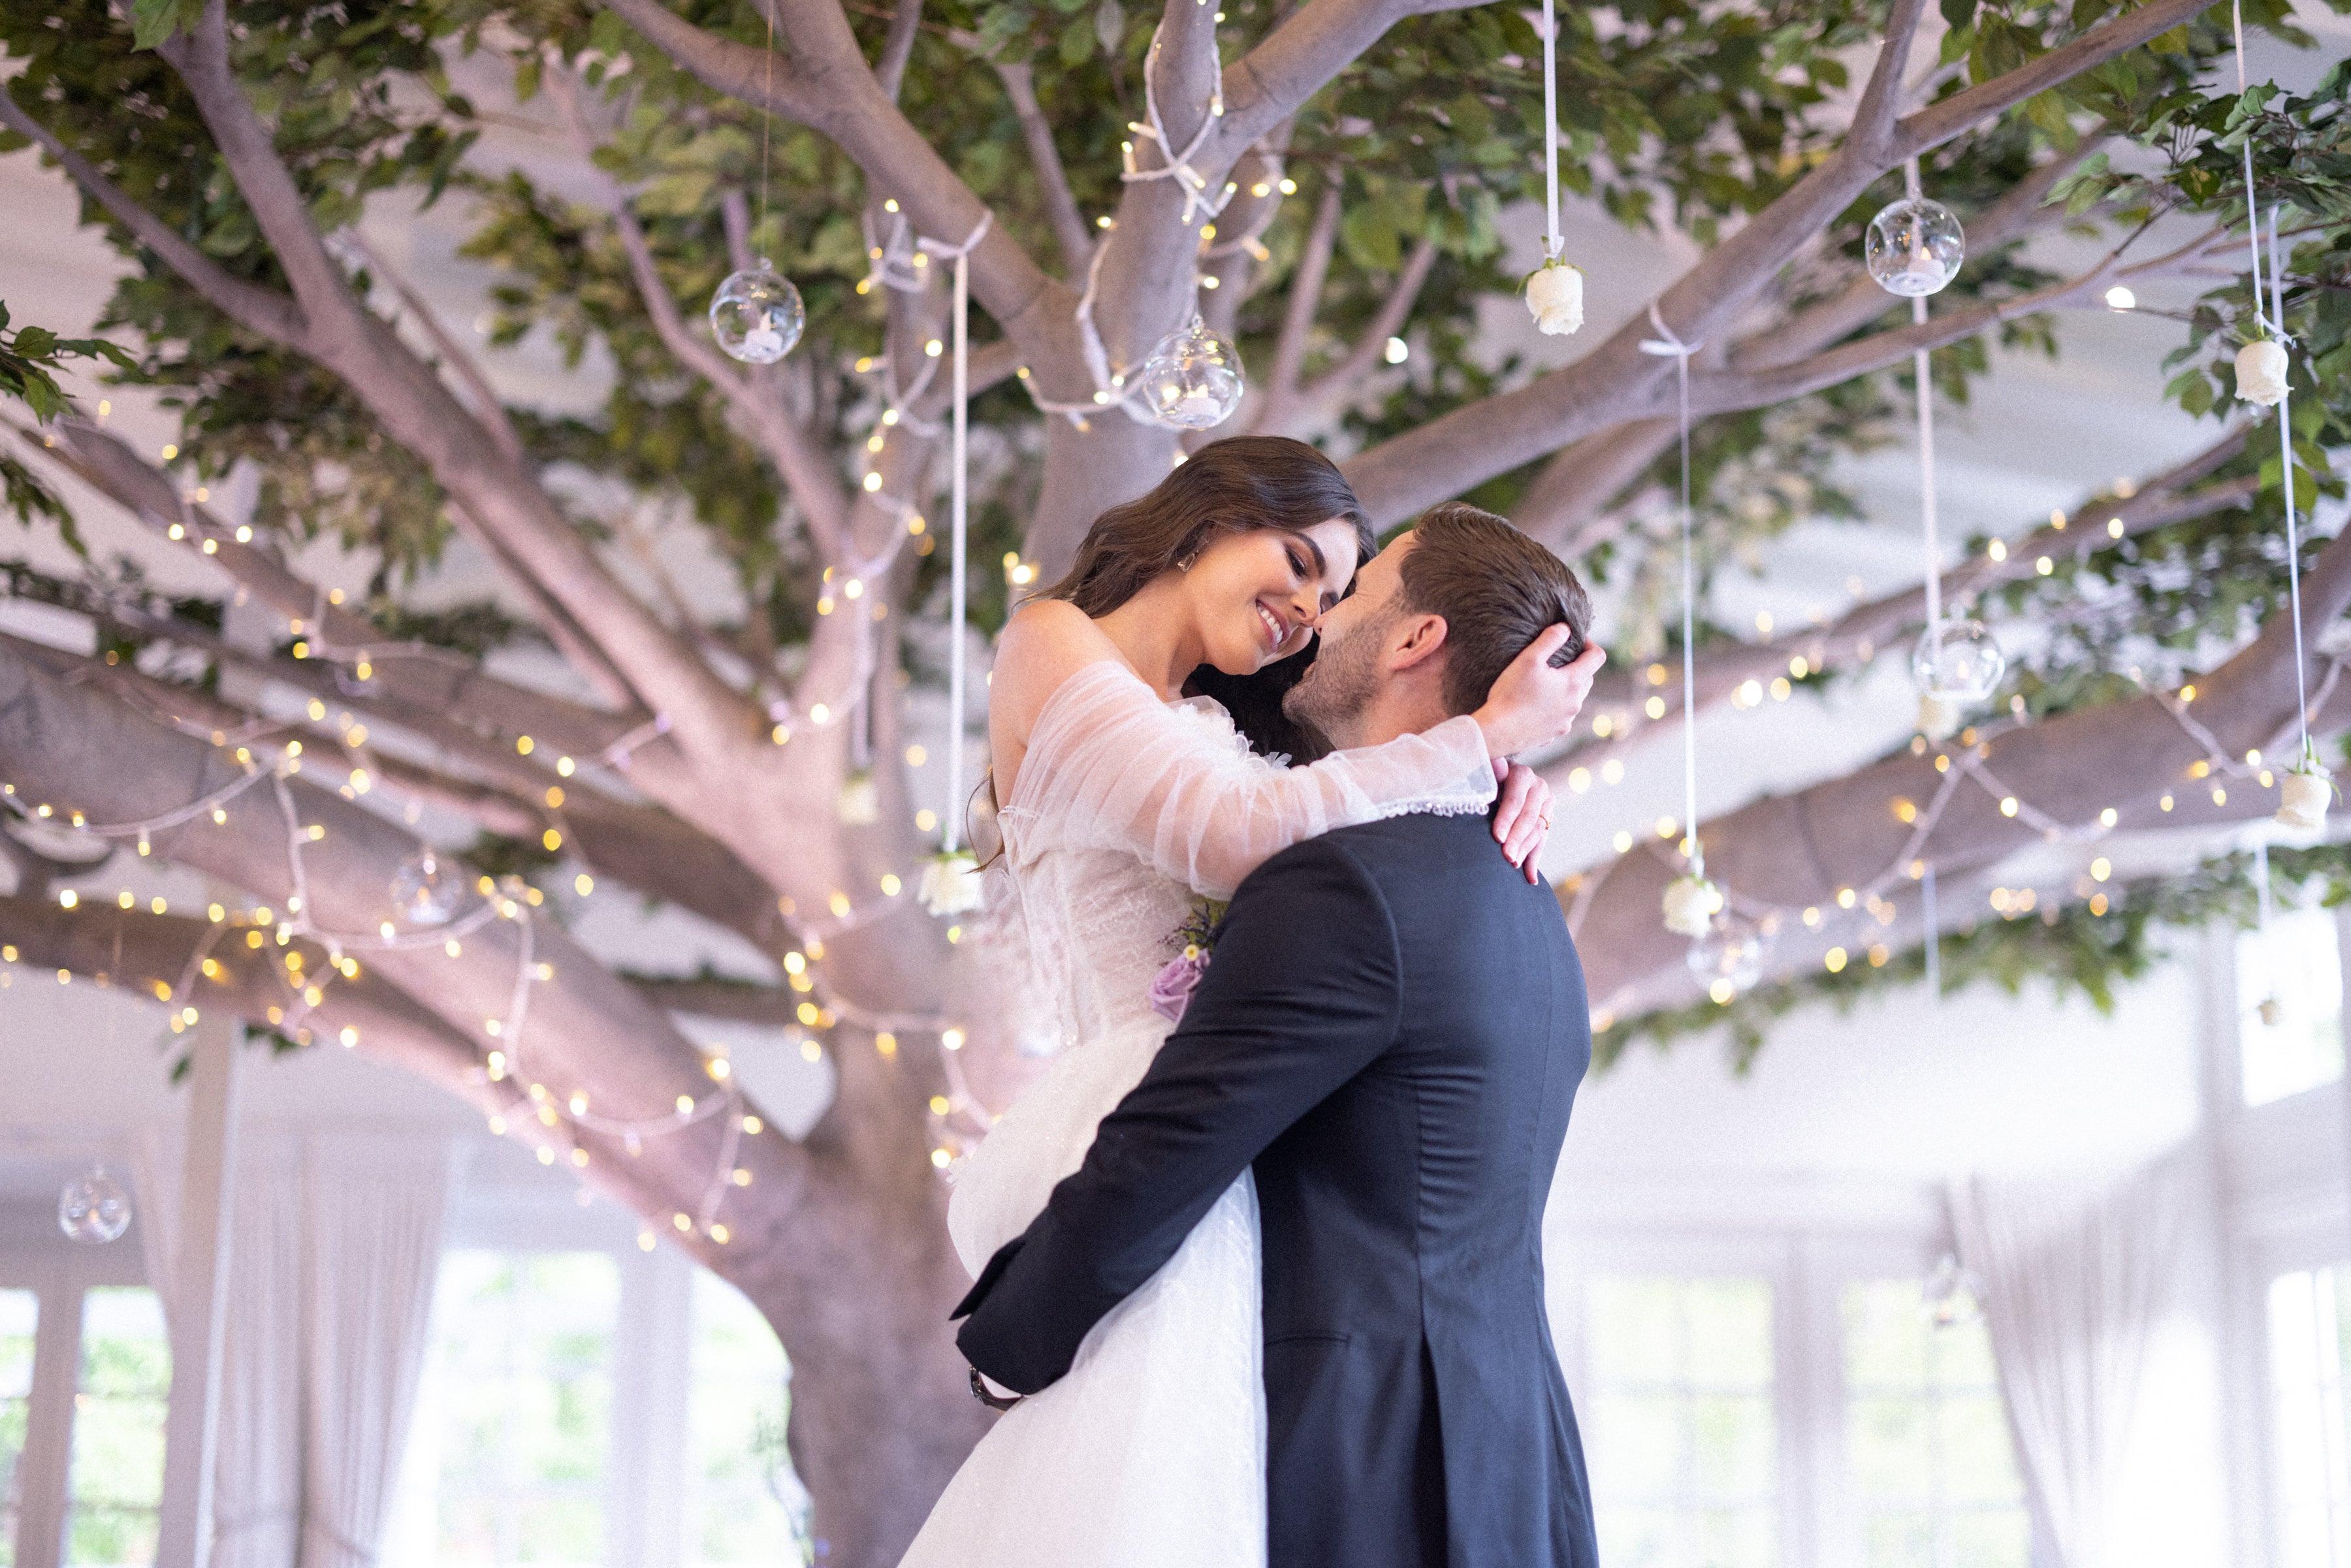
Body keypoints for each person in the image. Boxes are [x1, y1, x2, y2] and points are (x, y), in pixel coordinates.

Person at [894, 442, 1601, 1568]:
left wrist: (1486, 767)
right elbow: (1233, 834)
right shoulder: (1055, 644)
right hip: (1162, 1152)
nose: (1313, 613)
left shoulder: (1321, 818)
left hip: (1263, 1276)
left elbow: (1292, 818)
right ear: (1214, 514)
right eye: (1301, 561)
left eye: (1343, 590)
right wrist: (1477, 745)